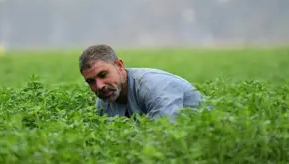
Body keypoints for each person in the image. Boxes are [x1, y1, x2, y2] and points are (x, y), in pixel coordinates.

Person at [78, 44, 206, 121]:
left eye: (103, 75)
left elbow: (165, 134)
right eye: (91, 81)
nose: (99, 86)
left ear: (119, 66)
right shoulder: (104, 100)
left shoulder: (153, 86)